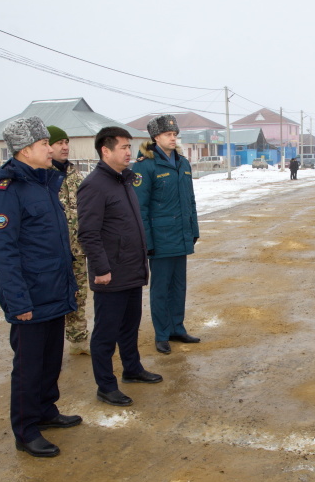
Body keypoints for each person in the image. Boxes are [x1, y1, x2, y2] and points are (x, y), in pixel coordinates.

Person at [0, 117, 80, 458]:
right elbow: (4, 252)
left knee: (51, 360)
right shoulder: (6, 192)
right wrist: (17, 301)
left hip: (53, 290)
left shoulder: (44, 184)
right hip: (31, 296)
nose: (50, 149)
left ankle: (45, 411)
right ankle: (25, 429)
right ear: (26, 151)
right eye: (43, 145)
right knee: (28, 366)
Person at [77, 126, 163, 407]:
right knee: (106, 333)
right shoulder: (94, 185)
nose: (130, 152)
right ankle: (105, 385)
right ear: (106, 150)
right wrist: (101, 269)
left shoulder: (123, 180)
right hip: (110, 274)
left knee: (130, 325)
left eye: (130, 147)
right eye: (124, 147)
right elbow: (88, 233)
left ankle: (132, 369)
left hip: (131, 269)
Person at [133, 115, 201, 355]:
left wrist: (193, 229)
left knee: (178, 285)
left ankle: (177, 328)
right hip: (160, 239)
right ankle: (162, 334)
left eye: (175, 134)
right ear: (156, 137)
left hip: (180, 235)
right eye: (168, 135)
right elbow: (140, 208)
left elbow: (190, 200)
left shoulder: (182, 163)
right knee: (161, 288)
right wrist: (147, 242)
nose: (173, 138)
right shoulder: (145, 165)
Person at [48, 125, 89, 355]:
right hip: (52, 253)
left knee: (78, 296)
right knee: (53, 298)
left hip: (77, 249)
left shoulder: (76, 176)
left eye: (66, 142)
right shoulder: (43, 177)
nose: (64, 147)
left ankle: (78, 341)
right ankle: (51, 346)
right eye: (58, 143)